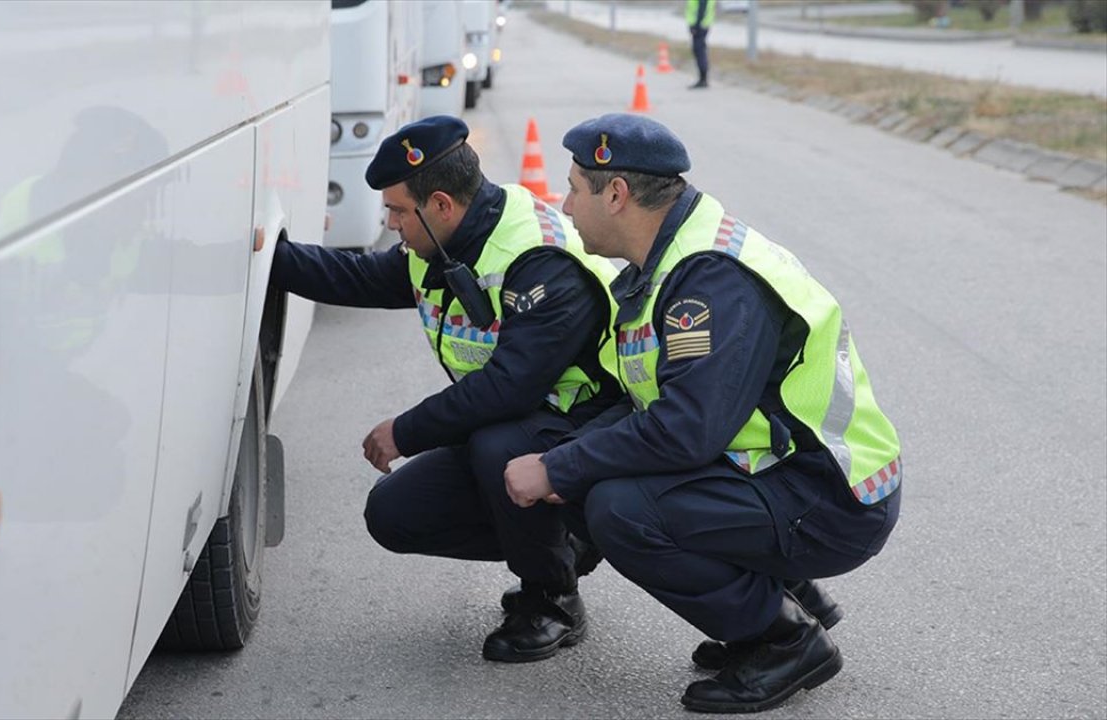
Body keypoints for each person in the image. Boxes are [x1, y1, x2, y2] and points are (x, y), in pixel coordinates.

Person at [504, 113, 902, 713]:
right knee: (594, 480)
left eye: (574, 188)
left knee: (620, 509)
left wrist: (558, 469)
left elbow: (685, 428)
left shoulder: (708, 281)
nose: (564, 204)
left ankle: (786, 639)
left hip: (832, 497)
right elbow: (653, 405)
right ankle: (782, 599)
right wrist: (565, 460)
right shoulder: (668, 260)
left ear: (615, 194)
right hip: (784, 474)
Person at [271, 115, 624, 663]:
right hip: (526, 428)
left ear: (440, 205)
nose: (390, 224)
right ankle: (558, 543)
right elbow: (359, 278)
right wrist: (268, 255)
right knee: (395, 513)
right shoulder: (445, 242)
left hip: (595, 430)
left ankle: (552, 598)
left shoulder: (540, 262)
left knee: (498, 445)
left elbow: (508, 388)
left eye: (397, 210)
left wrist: (403, 431)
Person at [686, 0, 715, 89]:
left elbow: (702, 8)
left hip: (700, 25)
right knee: (699, 51)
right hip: (703, 24)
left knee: (699, 51)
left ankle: (703, 79)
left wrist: (696, 25)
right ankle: (703, 78)